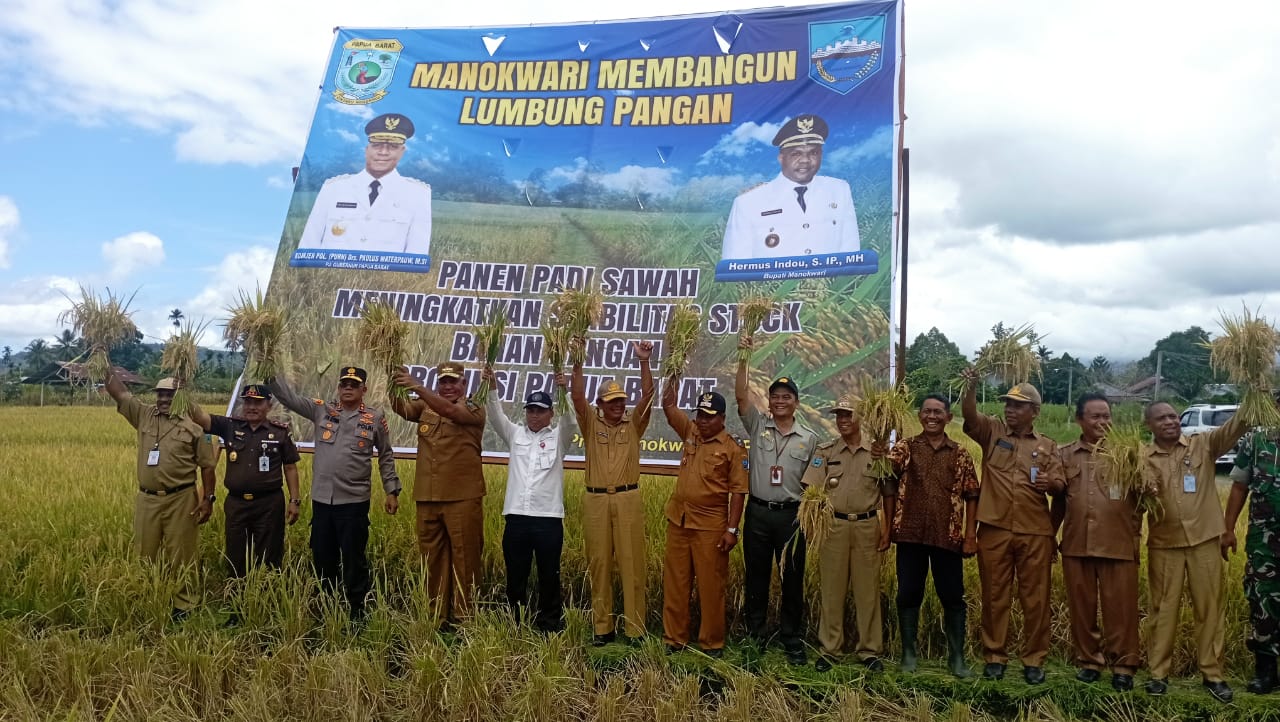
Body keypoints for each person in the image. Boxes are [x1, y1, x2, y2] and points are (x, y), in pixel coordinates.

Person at [268, 366, 401, 621]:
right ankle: (327, 607)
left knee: (353, 559)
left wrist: (391, 490)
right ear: (338, 388)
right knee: (322, 556)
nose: (348, 388)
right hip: (322, 501)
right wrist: (269, 373)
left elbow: (385, 455)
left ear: (364, 389)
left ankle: (356, 611)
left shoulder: (374, 418)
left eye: (354, 385)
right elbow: (289, 399)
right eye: (344, 384)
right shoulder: (322, 410)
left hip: (353, 503)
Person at [960, 370, 1064, 684]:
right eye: (1008, 404)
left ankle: (1034, 660)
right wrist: (971, 386)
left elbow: (1061, 483)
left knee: (1036, 598)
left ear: (1035, 411)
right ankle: (995, 656)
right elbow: (968, 414)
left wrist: (1053, 484)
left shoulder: (1048, 446)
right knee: (995, 595)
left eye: (1018, 405)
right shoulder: (992, 432)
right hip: (994, 529)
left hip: (1035, 532)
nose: (1010, 409)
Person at [1142, 400, 1246, 702]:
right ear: (1149, 425)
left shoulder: (1203, 445)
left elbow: (1234, 427)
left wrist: (1254, 397)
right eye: (1162, 418)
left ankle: (1212, 675)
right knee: (1162, 611)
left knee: (1210, 609)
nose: (1171, 422)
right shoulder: (1141, 458)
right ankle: (1158, 675)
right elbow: (1130, 499)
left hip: (1204, 542)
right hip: (1165, 545)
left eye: (1174, 416)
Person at [103, 372, 218, 621]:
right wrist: (103, 360)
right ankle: (148, 596)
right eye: (160, 394)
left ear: (180, 398)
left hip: (182, 497)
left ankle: (185, 605)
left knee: (182, 552)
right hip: (147, 499)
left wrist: (208, 499)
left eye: (170, 394)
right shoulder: (144, 415)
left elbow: (207, 466)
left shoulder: (194, 427)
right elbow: (119, 392)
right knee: (145, 551)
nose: (164, 399)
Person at [1051, 393, 1145, 692]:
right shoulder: (1065, 454)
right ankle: (1089, 662)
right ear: (1080, 419)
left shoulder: (1127, 453)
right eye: (1096, 416)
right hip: (1076, 543)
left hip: (1118, 543)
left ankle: (1124, 666)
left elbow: (1143, 498)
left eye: (1106, 416)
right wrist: (1049, 535)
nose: (1103, 422)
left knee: (1121, 609)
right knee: (1082, 607)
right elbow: (1059, 501)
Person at [883, 393, 980, 677]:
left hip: (947, 536)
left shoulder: (960, 453)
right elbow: (885, 477)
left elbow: (972, 494)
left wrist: (970, 535)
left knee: (952, 596)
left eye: (939, 412)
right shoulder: (906, 448)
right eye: (927, 411)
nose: (932, 417)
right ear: (919, 415)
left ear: (949, 417)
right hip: (910, 535)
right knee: (909, 593)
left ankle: (957, 658)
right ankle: (909, 655)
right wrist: (878, 452)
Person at [735, 343, 818, 664]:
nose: (780, 401)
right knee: (755, 576)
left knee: (792, 579)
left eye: (787, 397)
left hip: (791, 518)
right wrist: (744, 357)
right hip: (757, 513)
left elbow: (815, 484)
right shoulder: (758, 426)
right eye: (775, 397)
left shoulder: (808, 438)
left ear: (796, 403)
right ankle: (755, 635)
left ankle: (791, 637)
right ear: (768, 402)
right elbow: (741, 396)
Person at [570, 341, 655, 645]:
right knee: (600, 563)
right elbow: (576, 396)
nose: (618, 406)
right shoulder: (591, 424)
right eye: (612, 402)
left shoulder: (634, 424)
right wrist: (577, 361)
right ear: (600, 405)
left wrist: (644, 362)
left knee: (632, 564)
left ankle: (635, 628)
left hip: (627, 498)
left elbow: (648, 395)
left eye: (621, 401)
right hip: (595, 501)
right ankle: (602, 628)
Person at [391, 361, 486, 627]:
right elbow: (401, 407)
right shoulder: (425, 407)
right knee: (431, 560)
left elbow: (449, 411)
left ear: (464, 384)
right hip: (428, 497)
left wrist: (416, 386)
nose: (447, 387)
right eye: (443, 382)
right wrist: (392, 376)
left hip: (462, 498)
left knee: (465, 561)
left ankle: (465, 620)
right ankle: (437, 617)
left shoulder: (474, 408)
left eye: (452, 382)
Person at [803, 395, 890, 672]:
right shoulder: (826, 451)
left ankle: (870, 651)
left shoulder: (877, 453)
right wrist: (813, 522)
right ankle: (830, 650)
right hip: (834, 527)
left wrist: (887, 530)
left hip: (867, 526)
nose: (842, 420)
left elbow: (889, 490)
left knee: (868, 592)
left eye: (847, 414)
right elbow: (811, 491)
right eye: (838, 415)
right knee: (832, 590)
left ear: (860, 418)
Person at [482, 368, 573, 632]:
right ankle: (515, 623)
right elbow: (496, 415)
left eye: (540, 410)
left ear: (550, 413)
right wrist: (491, 386)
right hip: (517, 518)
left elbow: (571, 422)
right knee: (516, 575)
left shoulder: (559, 438)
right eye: (530, 410)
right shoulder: (515, 435)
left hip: (548, 519)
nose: (534, 415)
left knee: (549, 575)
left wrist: (563, 390)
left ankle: (549, 625)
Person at [660, 386, 748, 656]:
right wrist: (674, 367)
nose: (702, 421)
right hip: (680, 521)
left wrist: (731, 530)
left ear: (722, 418)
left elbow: (738, 492)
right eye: (699, 414)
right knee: (676, 583)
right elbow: (668, 405)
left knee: (711, 587)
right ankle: (675, 639)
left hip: (711, 527)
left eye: (709, 416)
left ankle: (711, 643)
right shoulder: (691, 433)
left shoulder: (733, 449)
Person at [188, 384, 302, 576]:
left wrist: (295, 500)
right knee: (236, 553)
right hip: (237, 504)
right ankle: (237, 595)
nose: (251, 407)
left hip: (269, 504)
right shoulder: (229, 426)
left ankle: (267, 595)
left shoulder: (280, 432)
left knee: (269, 555)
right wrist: (182, 388)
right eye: (247, 402)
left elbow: (290, 467)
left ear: (269, 405)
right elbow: (199, 417)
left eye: (258, 403)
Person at [721, 113, 859, 260]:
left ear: (821, 155)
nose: (805, 160)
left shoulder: (839, 190)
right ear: (781, 158)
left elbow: (850, 251)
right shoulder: (748, 202)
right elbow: (734, 264)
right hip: (772, 283)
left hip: (831, 282)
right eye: (796, 154)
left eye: (813, 152)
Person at [296, 112, 432, 256]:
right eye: (376, 145)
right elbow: (309, 243)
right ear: (367, 149)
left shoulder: (418, 193)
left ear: (402, 151)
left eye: (392, 146)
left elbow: (417, 253)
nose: (383, 152)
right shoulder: (334, 188)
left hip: (385, 278)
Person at [1224, 390, 1280, 695]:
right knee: (1262, 601)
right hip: (1264, 539)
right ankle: (1266, 672)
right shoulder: (1256, 440)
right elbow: (1238, 487)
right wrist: (1228, 528)